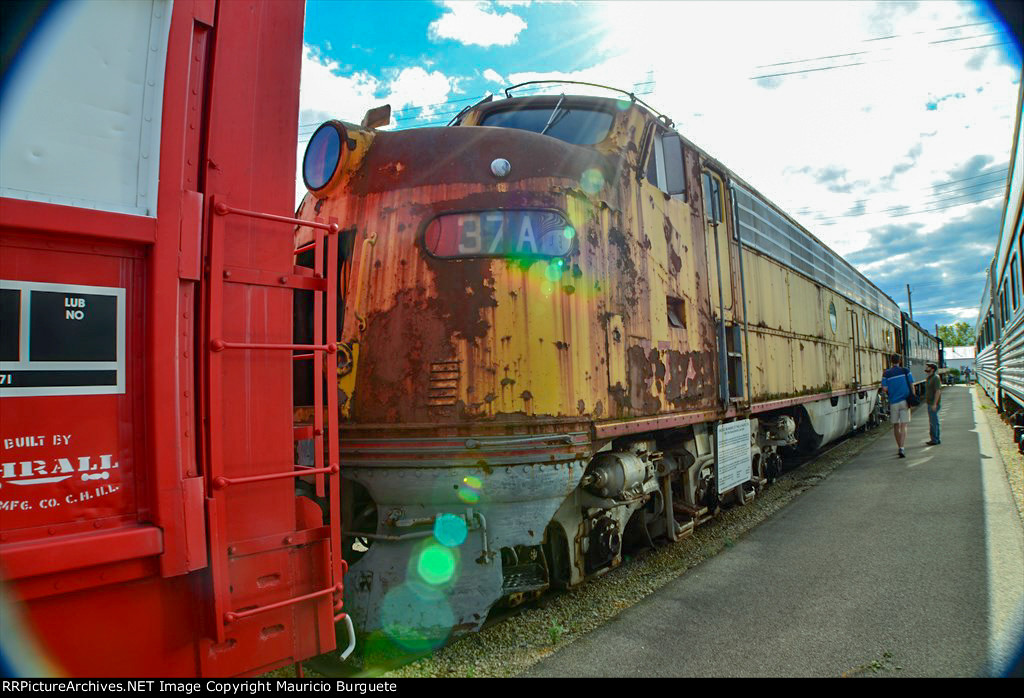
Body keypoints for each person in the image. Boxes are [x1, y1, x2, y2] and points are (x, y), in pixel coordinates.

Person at [880, 353, 913, 458]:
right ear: (900, 361)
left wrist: (892, 391)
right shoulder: (906, 371)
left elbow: (884, 389)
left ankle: (899, 447)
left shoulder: (886, 374)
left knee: (896, 426)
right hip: (905, 402)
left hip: (893, 402)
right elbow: (912, 385)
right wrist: (912, 398)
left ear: (891, 361)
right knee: (904, 426)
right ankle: (902, 448)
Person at [924, 362, 941, 445]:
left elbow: (938, 391)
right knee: (934, 421)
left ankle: (935, 439)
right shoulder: (929, 378)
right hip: (930, 403)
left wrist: (935, 404)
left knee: (933, 422)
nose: (926, 368)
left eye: (928, 367)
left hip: (933, 404)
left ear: (932, 369)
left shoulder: (935, 378)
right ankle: (935, 438)